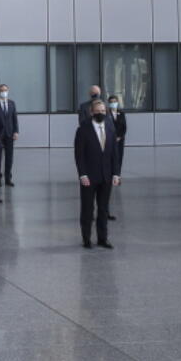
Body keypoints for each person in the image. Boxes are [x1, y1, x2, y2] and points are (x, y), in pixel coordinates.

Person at [73, 100, 121, 249]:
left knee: (103, 209)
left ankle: (102, 238)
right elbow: (79, 155)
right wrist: (82, 175)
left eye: (103, 111)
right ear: (91, 112)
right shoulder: (83, 130)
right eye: (97, 111)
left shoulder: (110, 128)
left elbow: (114, 153)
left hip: (106, 176)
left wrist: (116, 174)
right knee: (87, 209)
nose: (100, 113)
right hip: (89, 177)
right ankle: (86, 239)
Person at [105, 95, 127, 221]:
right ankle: (113, 175)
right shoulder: (107, 114)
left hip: (119, 140)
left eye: (115, 102)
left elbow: (124, 126)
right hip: (110, 140)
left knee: (119, 158)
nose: (113, 104)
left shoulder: (121, 113)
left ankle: (117, 176)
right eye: (111, 102)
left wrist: (120, 136)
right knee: (112, 159)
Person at [0, 84, 19, 186]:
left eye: (5, 90)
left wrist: (16, 131)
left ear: (8, 91)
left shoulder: (12, 103)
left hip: (9, 134)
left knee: (9, 157)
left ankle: (8, 178)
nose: (3, 92)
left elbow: (15, 119)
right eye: (1, 90)